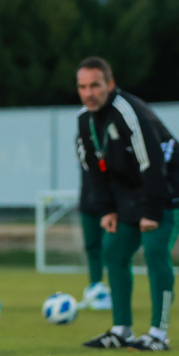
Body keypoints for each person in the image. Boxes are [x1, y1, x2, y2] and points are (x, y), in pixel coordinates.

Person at [76, 56, 179, 352]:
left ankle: (159, 333)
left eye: (95, 85)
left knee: (155, 251)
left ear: (110, 84)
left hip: (168, 187)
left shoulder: (128, 113)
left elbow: (151, 162)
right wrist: (106, 209)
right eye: (82, 87)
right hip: (129, 191)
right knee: (113, 250)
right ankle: (121, 330)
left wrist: (151, 209)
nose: (88, 93)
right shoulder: (84, 121)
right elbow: (92, 169)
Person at [75, 133, 111, 310]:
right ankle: (95, 290)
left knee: (112, 249)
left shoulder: (113, 134)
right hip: (88, 202)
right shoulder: (82, 136)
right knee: (92, 247)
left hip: (112, 205)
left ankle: (113, 293)